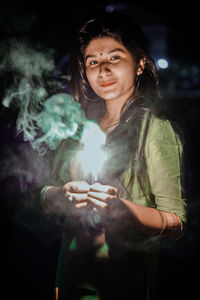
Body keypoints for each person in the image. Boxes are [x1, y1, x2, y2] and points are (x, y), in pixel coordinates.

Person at [41, 13, 187, 300]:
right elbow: (45, 195)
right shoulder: (80, 127)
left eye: (115, 58)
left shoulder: (154, 131)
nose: (103, 70)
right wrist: (61, 195)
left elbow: (176, 222)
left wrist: (123, 211)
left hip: (124, 285)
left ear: (140, 64)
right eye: (93, 61)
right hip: (72, 280)